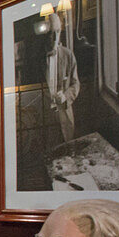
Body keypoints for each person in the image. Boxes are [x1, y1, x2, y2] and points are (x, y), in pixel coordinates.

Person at [46, 12, 80, 143]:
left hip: (64, 112)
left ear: (60, 32)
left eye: (56, 32)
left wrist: (65, 96)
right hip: (45, 114)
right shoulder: (38, 56)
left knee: (68, 148)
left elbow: (76, 84)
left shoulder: (68, 55)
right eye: (50, 33)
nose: (54, 37)